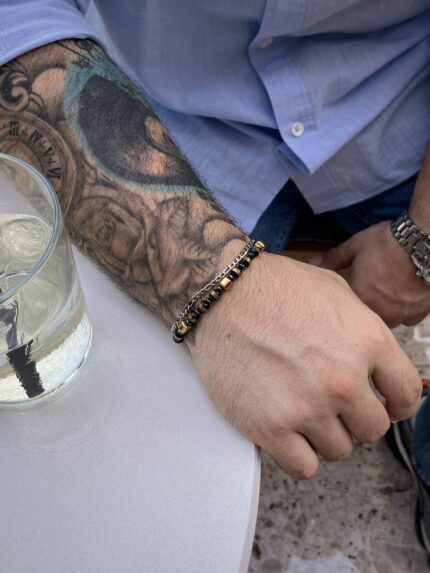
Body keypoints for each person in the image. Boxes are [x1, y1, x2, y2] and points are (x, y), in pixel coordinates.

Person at [0, 0, 429, 544]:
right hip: (158, 121)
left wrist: (422, 246)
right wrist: (222, 289)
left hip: (399, 109)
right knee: (134, 446)